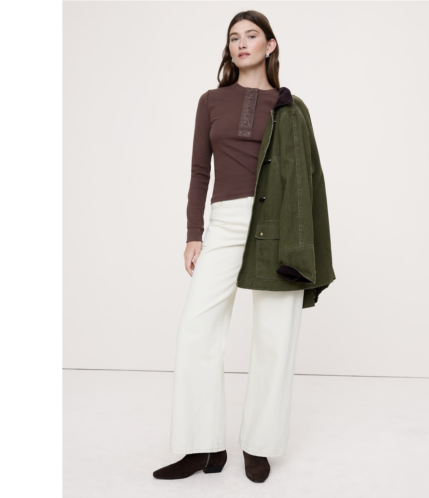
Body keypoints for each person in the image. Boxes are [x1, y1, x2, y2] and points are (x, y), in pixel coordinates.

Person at [153, 10, 335, 484]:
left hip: (276, 223)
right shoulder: (211, 101)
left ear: (270, 45)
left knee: (275, 336)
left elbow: (308, 179)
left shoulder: (290, 107)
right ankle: (202, 446)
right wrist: (194, 232)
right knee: (196, 330)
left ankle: (259, 446)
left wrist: (303, 242)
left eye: (251, 35)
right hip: (226, 222)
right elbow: (200, 170)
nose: (241, 43)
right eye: (234, 37)